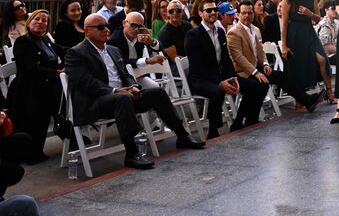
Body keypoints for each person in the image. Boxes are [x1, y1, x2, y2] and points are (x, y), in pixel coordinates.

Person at [64, 14, 205, 169]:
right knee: (122, 99)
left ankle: (182, 135)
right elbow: (86, 82)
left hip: (122, 96)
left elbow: (126, 74)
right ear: (86, 31)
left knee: (157, 92)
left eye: (106, 26)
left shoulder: (113, 50)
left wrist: (133, 87)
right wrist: (116, 90)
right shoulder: (76, 53)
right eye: (100, 27)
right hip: (95, 101)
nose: (105, 30)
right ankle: (131, 153)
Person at [227, 0, 321, 128]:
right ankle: (244, 121)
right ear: (238, 15)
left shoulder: (254, 29)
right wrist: (256, 73)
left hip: (256, 68)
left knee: (280, 76)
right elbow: (238, 58)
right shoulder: (234, 32)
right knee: (261, 84)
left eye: (249, 13)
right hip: (242, 72)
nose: (247, 16)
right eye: (243, 13)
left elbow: (260, 51)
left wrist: (265, 64)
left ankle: (307, 101)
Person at [185, 0, 266, 136]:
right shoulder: (193, 35)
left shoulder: (221, 32)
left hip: (220, 76)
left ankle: (240, 122)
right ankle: (213, 131)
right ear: (200, 13)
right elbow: (197, 66)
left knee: (257, 85)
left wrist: (233, 77)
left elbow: (226, 60)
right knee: (218, 91)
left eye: (215, 10)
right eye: (208, 10)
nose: (212, 13)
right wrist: (219, 83)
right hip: (200, 79)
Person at [7, 10, 65, 163]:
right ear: (29, 22)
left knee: (45, 120)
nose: (40, 22)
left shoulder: (46, 40)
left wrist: (65, 66)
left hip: (47, 88)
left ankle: (38, 151)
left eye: (44, 20)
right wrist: (55, 73)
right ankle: (29, 154)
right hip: (27, 90)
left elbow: (63, 51)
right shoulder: (23, 41)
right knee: (31, 122)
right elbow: (28, 67)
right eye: (37, 19)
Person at [280, 0, 333, 102]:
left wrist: (309, 14)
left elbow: (318, 18)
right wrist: (284, 45)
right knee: (299, 65)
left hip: (309, 30)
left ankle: (330, 92)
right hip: (295, 33)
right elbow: (284, 24)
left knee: (322, 59)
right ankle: (300, 100)